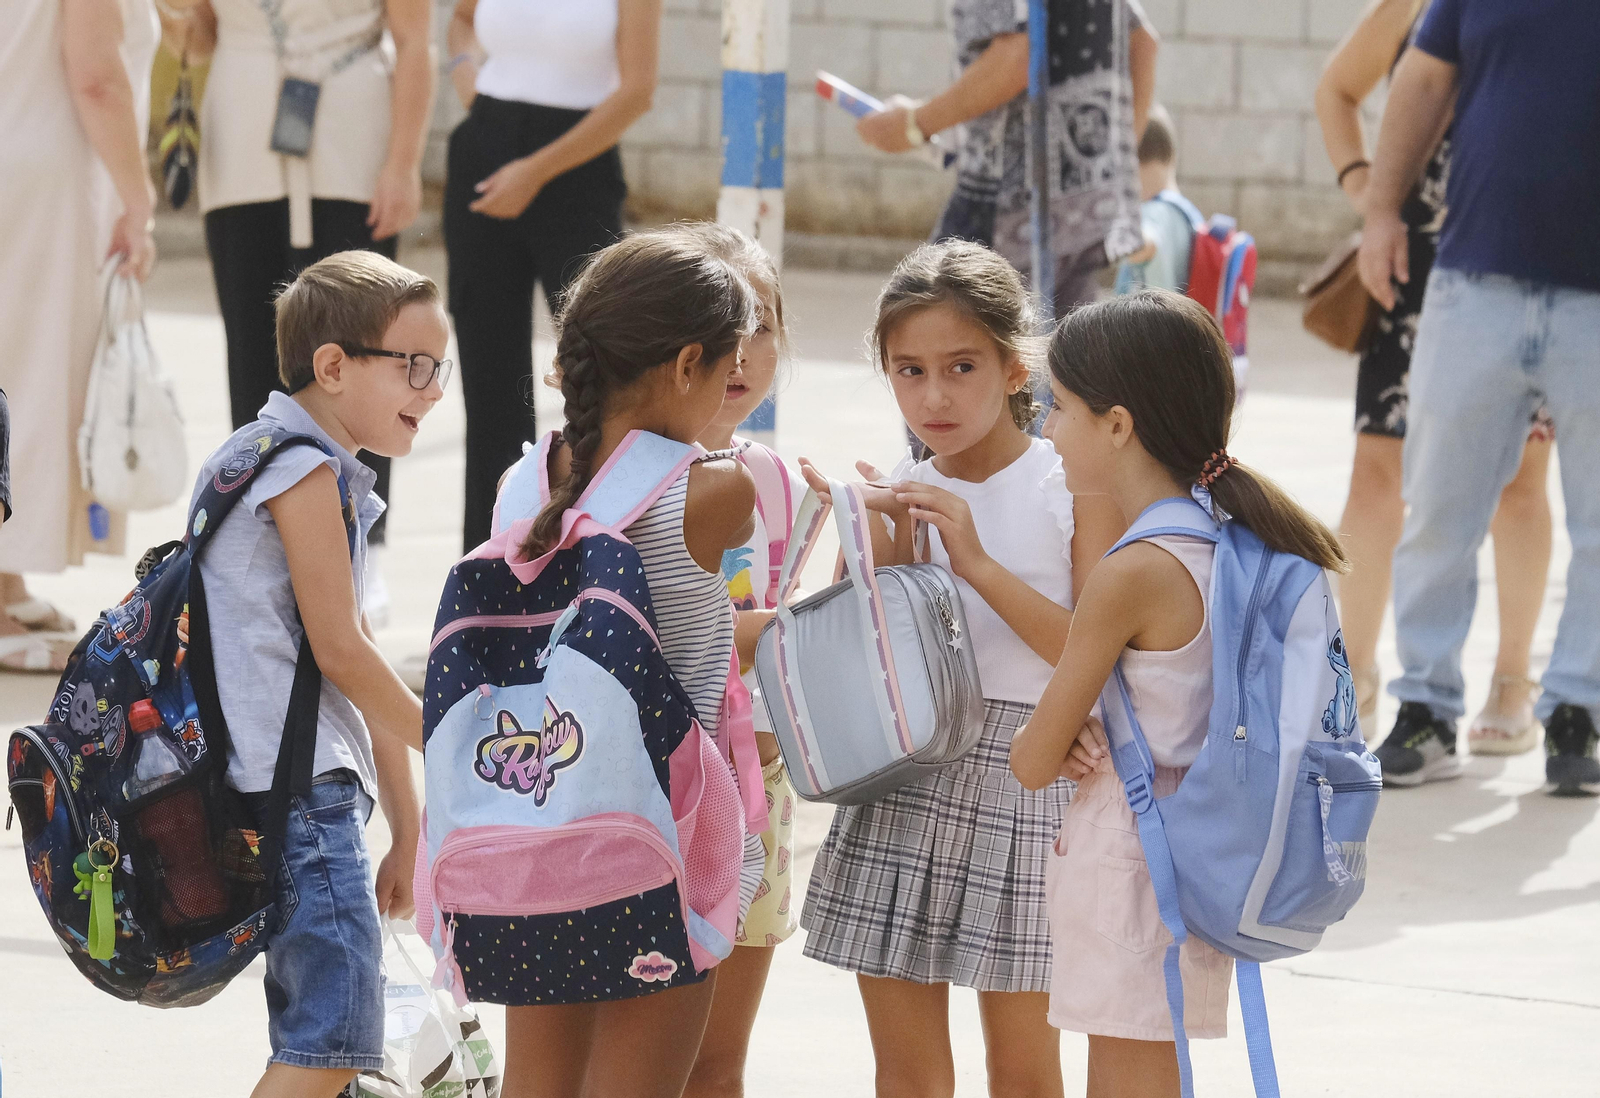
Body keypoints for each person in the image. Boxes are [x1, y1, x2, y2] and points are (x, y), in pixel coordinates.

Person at [797, 241, 1123, 1098]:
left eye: (961, 366)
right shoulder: (900, 487)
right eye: (909, 370)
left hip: (1029, 782)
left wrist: (972, 561)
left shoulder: (1069, 481)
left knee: (1024, 1073)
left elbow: (1093, 646)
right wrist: (878, 553)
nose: (933, 396)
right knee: (906, 1076)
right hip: (903, 784)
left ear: (1017, 368)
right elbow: (859, 665)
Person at [1010, 291, 1348, 1098]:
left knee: (1127, 1080)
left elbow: (1030, 759)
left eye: (1058, 407)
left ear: (1118, 425)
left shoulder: (1131, 571)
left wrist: (1064, 735)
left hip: (1130, 860)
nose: (1047, 429)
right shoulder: (1227, 541)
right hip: (1198, 847)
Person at [469, 231, 758, 1098]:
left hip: (537, 817)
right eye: (728, 369)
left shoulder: (525, 484)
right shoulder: (715, 494)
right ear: (686, 366)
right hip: (659, 838)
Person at [191, 251, 440, 1098]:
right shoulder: (298, 471)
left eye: (438, 368)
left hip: (292, 787)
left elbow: (353, 656)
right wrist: (456, 742)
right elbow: (342, 652)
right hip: (298, 795)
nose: (434, 389)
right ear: (332, 367)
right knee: (332, 1038)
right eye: (414, 366)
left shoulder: (263, 455)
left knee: (332, 1037)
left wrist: (409, 825)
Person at [1357, 0, 1600, 795]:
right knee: (1439, 510)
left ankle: (1578, 711)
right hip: (1474, 286)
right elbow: (1423, 83)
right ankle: (1425, 706)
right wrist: (1382, 209)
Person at [1315, 0, 1552, 759]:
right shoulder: (1418, 6)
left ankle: (1513, 681)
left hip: (1530, 261)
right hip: (1411, 271)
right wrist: (1363, 189)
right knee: (1376, 474)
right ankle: (1354, 672)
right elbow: (1336, 89)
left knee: (1520, 479)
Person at [161, 0, 436, 624]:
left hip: (350, 132)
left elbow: (415, 42)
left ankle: (363, 547)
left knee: (367, 350)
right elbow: (202, 37)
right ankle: (253, 537)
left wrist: (404, 160)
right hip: (243, 135)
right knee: (252, 345)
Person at [444, 0, 662, 553]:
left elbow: (638, 92)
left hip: (578, 170)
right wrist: (474, 91)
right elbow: (462, 18)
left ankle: (594, 553)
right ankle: (488, 569)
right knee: (490, 381)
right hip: (485, 155)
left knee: (601, 374)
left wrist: (534, 170)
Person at [677, 224, 802, 1098]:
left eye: (759, 326)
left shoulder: (780, 479)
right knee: (644, 1055)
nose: (741, 354)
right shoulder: (614, 476)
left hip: (760, 793)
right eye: (717, 327)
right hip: (653, 797)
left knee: (720, 1063)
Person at [0, 0, 158, 671]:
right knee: (33, 380)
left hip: (23, 153)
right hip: (48, 168)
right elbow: (97, 74)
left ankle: (8, 577)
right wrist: (139, 198)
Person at [855, 1, 1157, 315]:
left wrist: (913, 124)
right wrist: (1103, 164)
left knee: (930, 336)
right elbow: (1144, 43)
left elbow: (1015, 57)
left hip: (1007, 207)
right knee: (1062, 357)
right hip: (1085, 209)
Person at [1114, 105, 1193, 295]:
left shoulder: (1153, 213)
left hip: (1147, 323)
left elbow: (1148, 243)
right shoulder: (1185, 213)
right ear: (1172, 155)